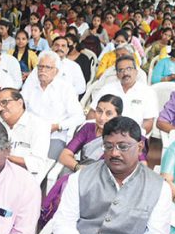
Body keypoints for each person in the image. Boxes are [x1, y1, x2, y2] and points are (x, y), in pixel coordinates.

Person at [17, 116, 171, 234]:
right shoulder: (81, 176)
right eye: (108, 146)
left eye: (123, 146)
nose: (114, 153)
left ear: (140, 147)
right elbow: (63, 225)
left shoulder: (158, 187)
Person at [41, 94, 150, 225]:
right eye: (99, 111)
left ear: (118, 116)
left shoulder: (127, 135)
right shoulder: (88, 129)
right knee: (66, 187)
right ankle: (61, 226)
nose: (102, 117)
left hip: (109, 181)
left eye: (108, 113)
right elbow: (64, 155)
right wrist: (79, 168)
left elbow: (142, 165)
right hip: (83, 173)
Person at [21, 51, 85, 160]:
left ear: (56, 71)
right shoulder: (31, 85)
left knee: (44, 164)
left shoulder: (65, 88)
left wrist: (57, 126)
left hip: (54, 135)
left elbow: (79, 117)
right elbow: (21, 106)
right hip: (29, 132)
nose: (42, 70)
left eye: (47, 67)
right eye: (40, 67)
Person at [88, 55, 158, 134]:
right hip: (105, 133)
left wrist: (135, 136)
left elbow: (148, 121)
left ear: (136, 71)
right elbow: (92, 113)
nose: (125, 73)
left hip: (132, 137)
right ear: (117, 75)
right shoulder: (107, 89)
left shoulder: (148, 92)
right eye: (121, 70)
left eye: (129, 69)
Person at [0, 88, 50, 177]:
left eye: (4, 102)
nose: (0, 108)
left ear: (20, 103)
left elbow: (37, 164)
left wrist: (5, 158)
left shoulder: (39, 125)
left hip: (22, 177)